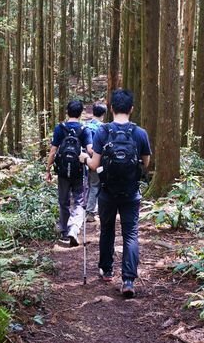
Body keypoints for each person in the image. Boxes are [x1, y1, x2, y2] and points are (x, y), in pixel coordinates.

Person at [86, 88, 151, 298]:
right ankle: (129, 280)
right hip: (131, 192)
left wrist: (84, 159)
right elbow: (146, 163)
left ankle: (106, 270)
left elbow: (94, 165)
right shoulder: (140, 133)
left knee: (107, 229)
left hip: (107, 192)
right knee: (130, 234)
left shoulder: (102, 132)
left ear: (112, 108)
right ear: (131, 109)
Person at [46, 99, 90, 247]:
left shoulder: (60, 128)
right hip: (79, 170)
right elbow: (90, 149)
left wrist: (48, 169)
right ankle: (74, 228)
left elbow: (53, 151)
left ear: (67, 112)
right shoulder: (84, 129)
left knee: (63, 200)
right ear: (81, 113)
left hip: (63, 171)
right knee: (79, 201)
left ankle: (64, 230)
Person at [83, 103, 107, 219]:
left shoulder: (86, 126)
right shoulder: (103, 128)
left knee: (90, 184)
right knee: (95, 185)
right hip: (98, 160)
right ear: (103, 114)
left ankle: (89, 208)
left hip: (86, 159)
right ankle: (90, 212)